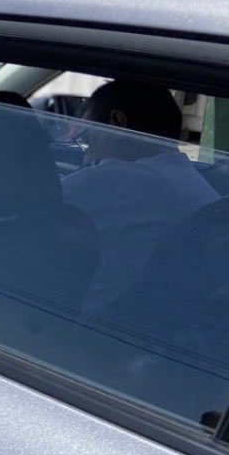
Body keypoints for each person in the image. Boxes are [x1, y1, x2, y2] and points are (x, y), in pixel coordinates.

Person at [62, 79, 218, 314]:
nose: (87, 154)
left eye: (88, 137)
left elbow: (30, 208)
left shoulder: (111, 181)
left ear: (117, 123)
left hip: (83, 327)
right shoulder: (194, 184)